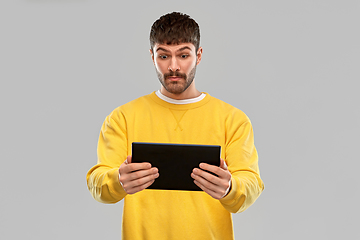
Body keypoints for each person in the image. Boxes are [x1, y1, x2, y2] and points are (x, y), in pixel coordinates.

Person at [86, 12, 264, 240]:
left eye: (183, 55)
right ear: (152, 56)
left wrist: (230, 188)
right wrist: (118, 180)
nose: (173, 66)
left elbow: (250, 185)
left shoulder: (233, 119)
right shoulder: (123, 117)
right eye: (163, 56)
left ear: (198, 56)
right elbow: (98, 184)